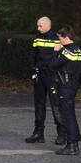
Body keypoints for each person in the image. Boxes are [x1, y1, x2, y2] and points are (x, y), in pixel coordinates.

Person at [26, 16, 66, 145]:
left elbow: (61, 57)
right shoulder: (37, 38)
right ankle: (38, 133)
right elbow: (33, 54)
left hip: (52, 76)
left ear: (48, 25)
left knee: (56, 105)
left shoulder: (57, 38)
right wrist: (33, 68)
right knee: (39, 104)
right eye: (37, 25)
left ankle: (61, 134)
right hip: (40, 75)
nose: (38, 28)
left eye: (40, 25)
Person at [49, 26, 81, 155]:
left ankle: (71, 145)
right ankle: (74, 144)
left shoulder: (67, 51)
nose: (58, 40)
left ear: (65, 37)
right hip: (72, 85)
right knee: (71, 115)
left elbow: (53, 65)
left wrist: (55, 51)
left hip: (65, 86)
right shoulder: (77, 49)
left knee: (67, 116)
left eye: (59, 37)